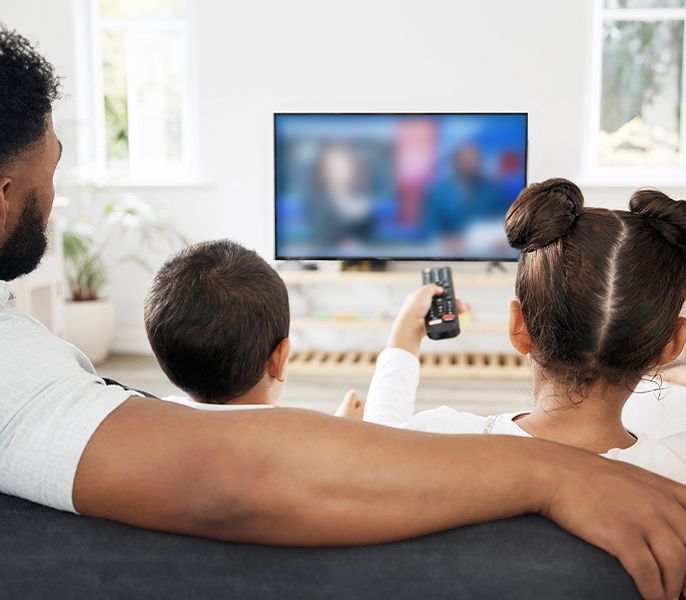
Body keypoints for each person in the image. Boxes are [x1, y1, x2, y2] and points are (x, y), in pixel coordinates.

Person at [0, 26, 685, 600]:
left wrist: (399, 353)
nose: (56, 188)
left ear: (519, 327)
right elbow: (235, 476)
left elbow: (368, 440)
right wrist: (554, 471)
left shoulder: (436, 436)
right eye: (54, 163)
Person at [361, 178, 686, 485]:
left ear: (518, 327)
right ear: (672, 344)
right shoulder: (674, 469)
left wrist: (403, 336)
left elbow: (377, 443)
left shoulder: (441, 441)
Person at [143, 237, 361, 416]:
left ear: (161, 355)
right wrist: (344, 424)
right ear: (279, 359)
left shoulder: (146, 423)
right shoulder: (298, 442)